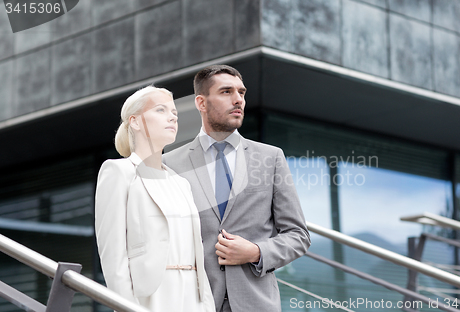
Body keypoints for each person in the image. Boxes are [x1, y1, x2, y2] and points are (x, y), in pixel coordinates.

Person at [163, 65, 311, 312]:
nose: (238, 100)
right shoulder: (170, 163)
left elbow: (298, 235)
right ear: (201, 102)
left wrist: (255, 251)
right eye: (226, 92)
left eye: (241, 92)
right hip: (193, 303)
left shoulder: (271, 157)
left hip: (257, 304)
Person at [94, 86, 215, 312]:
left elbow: (196, 253)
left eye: (175, 113)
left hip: (192, 298)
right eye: (161, 110)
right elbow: (113, 255)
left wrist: (207, 305)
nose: (172, 117)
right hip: (149, 298)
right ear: (136, 122)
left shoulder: (181, 183)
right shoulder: (118, 172)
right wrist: (125, 306)